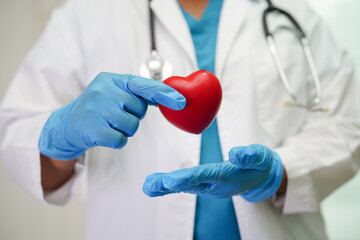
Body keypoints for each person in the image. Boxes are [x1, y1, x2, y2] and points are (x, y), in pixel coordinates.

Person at [0, 0, 359, 239]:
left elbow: (349, 121)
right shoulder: (87, 15)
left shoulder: (290, 10)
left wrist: (281, 172)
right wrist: (61, 135)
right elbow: (17, 132)